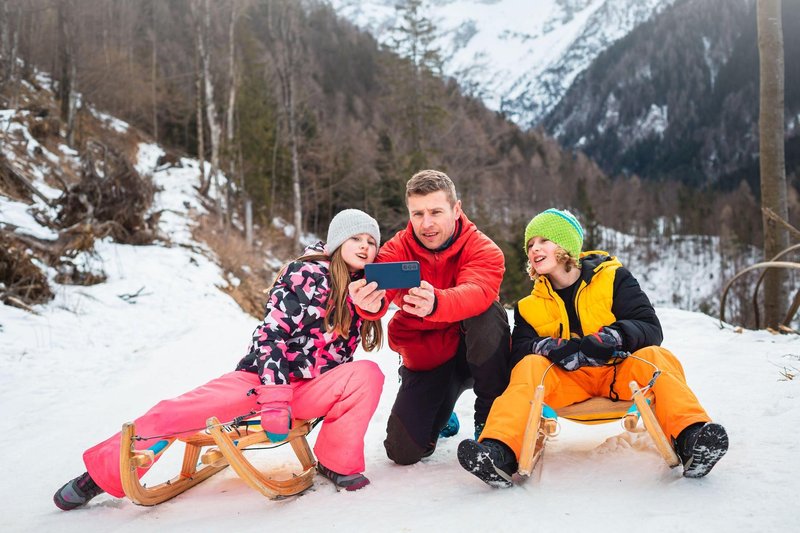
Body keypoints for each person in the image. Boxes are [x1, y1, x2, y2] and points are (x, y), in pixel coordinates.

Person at [54, 209, 386, 510]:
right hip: (262, 382)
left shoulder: (364, 289)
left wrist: (371, 306)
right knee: (176, 412)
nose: (364, 246)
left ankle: (337, 462)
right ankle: (98, 476)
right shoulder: (305, 274)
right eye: (356, 238)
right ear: (337, 241)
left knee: (367, 373)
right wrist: (274, 399)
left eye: (371, 242)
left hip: (312, 389)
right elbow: (270, 336)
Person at [457, 208, 729, 487]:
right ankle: (499, 452)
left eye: (543, 241)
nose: (534, 249)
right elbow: (521, 352)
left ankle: (692, 438)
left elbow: (649, 327)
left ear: (565, 246)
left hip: (619, 373)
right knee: (528, 367)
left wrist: (615, 336)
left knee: (655, 357)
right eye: (530, 245)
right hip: (568, 382)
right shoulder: (530, 305)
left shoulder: (613, 278)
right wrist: (552, 347)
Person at [349, 169, 511, 465]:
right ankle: (442, 408)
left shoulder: (483, 249)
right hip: (429, 358)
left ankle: (491, 423)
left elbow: (477, 291)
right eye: (417, 214)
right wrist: (368, 304)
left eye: (436, 212)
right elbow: (378, 293)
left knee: (487, 313)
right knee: (403, 452)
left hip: (476, 355)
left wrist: (437, 302)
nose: (426, 224)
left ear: (456, 209)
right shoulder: (397, 249)